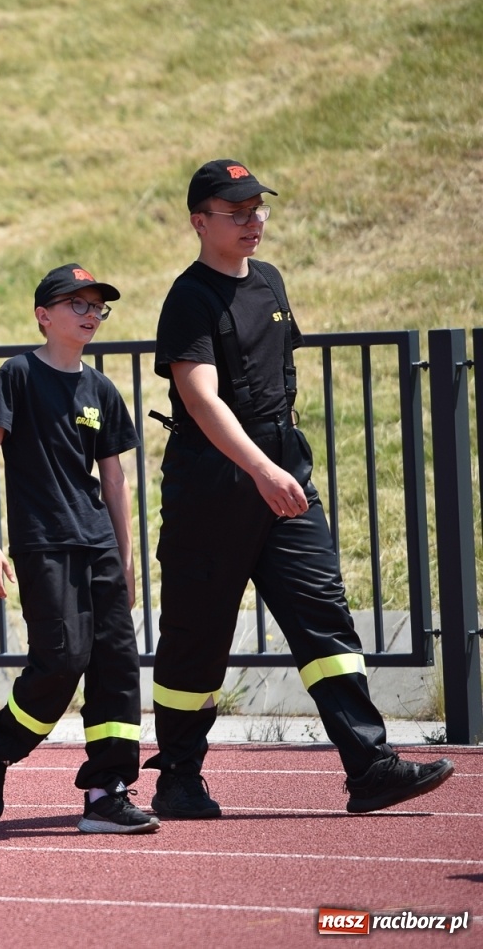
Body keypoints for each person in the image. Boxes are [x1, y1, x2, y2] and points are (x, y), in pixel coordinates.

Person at [147, 159, 454, 817]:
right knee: (197, 639)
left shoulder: (270, 281)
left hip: (284, 470)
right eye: (238, 211)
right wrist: (259, 467)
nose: (254, 220)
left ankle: (370, 766)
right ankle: (176, 778)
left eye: (259, 208)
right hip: (216, 481)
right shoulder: (188, 297)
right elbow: (200, 400)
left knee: (323, 616)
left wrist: (281, 459)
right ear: (200, 221)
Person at [0, 263, 157, 834]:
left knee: (117, 665)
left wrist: (126, 555)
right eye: (78, 304)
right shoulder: (18, 375)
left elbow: (115, 479)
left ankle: (107, 790)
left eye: (97, 306)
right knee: (63, 659)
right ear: (43, 315)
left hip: (97, 541)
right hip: (43, 542)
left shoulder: (101, 388)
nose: (90, 314)